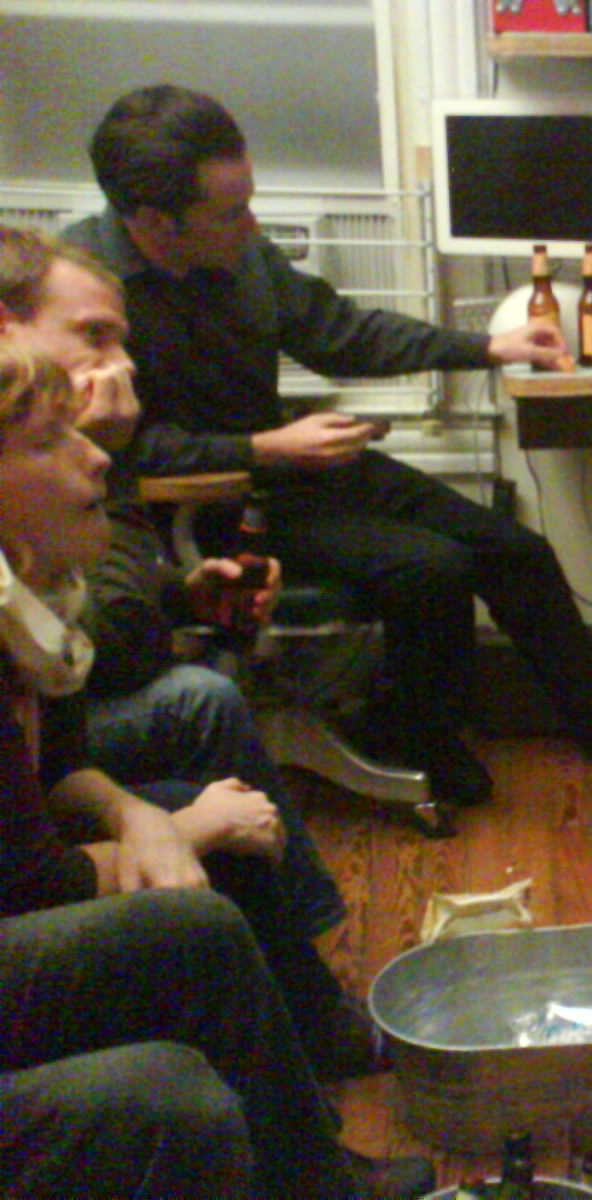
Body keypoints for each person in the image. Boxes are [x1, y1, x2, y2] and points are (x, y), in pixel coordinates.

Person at [64, 84, 592, 808]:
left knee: (514, 549)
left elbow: (339, 332)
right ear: (151, 220)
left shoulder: (241, 254)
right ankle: (416, 736)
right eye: (231, 212)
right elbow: (124, 452)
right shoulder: (83, 298)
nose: (253, 223)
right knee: (430, 567)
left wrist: (488, 345)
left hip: (293, 464)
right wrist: (262, 447)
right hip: (210, 508)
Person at [0, 343, 433, 1198]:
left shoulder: (35, 606)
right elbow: (31, 884)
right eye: (53, 441)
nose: (96, 451)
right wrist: (189, 827)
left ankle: (309, 1142)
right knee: (185, 960)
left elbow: (65, 775)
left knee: (191, 835)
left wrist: (142, 818)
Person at [0, 223, 346, 943]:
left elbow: (80, 630)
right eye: (94, 335)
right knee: (199, 700)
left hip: (54, 745)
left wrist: (183, 595)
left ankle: (307, 982)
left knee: (188, 764)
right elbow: (115, 643)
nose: (122, 363)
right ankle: (307, 970)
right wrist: (104, 455)